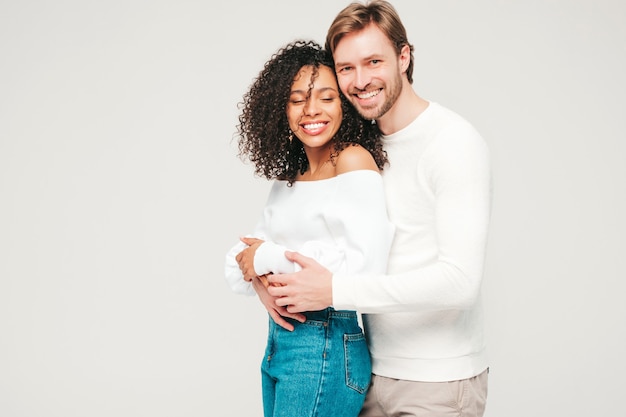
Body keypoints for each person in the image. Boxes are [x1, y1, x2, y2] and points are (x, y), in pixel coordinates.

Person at [254, 1, 492, 416]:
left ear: (404, 57)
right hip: (365, 372)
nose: (360, 81)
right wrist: (263, 276)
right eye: (346, 68)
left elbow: (460, 282)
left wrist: (331, 291)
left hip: (436, 381)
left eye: (373, 61)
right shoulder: (355, 145)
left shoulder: (452, 142)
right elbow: (303, 231)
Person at [224, 39, 394, 417]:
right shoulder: (289, 176)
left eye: (326, 97)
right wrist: (259, 274)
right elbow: (240, 260)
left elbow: (366, 269)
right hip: (281, 341)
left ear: (345, 105)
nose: (311, 110)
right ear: (281, 108)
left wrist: (268, 258)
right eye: (298, 98)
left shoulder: (353, 160)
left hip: (326, 342)